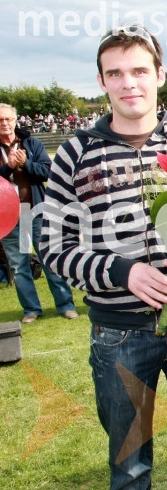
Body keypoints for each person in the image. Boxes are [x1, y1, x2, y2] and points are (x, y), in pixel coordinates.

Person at [39, 24, 167, 490]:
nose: (130, 83)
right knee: (129, 469)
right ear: (102, 81)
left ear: (160, 75)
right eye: (116, 73)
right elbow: (51, 246)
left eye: (140, 71)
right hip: (118, 334)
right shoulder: (74, 154)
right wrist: (124, 272)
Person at [0, 103, 77, 324]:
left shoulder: (31, 143)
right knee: (19, 266)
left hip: (35, 211)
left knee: (50, 260)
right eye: (0, 120)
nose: (4, 123)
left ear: (15, 121)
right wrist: (7, 168)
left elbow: (49, 171)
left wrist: (26, 163)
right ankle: (31, 309)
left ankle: (66, 305)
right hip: (7, 217)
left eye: (8, 119)